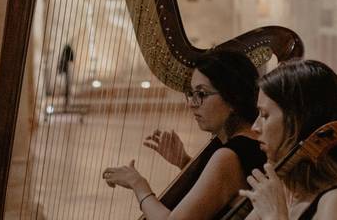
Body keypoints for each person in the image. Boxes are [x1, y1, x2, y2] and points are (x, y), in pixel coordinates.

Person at [102, 49, 266, 219]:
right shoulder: (248, 141)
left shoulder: (228, 156)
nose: (192, 104)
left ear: (233, 98)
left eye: (201, 94)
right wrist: (184, 162)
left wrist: (138, 184)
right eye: (191, 94)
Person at [240, 59, 337, 220]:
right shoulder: (286, 192)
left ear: (299, 122)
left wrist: (275, 216)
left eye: (265, 115)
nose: (255, 127)